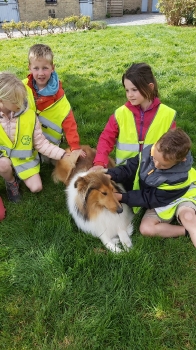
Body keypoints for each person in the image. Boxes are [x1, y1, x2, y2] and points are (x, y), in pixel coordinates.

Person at [106, 128, 196, 248]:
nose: (156, 164)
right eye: (154, 158)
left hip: (182, 195)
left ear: (180, 161)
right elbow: (129, 168)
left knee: (188, 217)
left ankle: (192, 227)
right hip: (159, 197)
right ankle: (185, 231)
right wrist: (111, 174)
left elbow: (149, 198)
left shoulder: (178, 178)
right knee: (146, 229)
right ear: (155, 145)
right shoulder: (149, 152)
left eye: (163, 165)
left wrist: (122, 197)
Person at [90, 63, 176, 180]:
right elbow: (106, 138)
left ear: (150, 87)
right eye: (127, 90)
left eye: (134, 90)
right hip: (124, 173)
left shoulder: (167, 115)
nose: (130, 95)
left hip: (154, 173)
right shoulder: (120, 114)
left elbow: (174, 145)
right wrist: (99, 162)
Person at [0, 71, 73, 203]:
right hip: (3, 157)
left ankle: (16, 172)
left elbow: (41, 143)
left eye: (22, 98)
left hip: (24, 160)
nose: (20, 103)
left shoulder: (29, 115)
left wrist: (62, 154)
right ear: (2, 100)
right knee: (3, 165)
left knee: (36, 187)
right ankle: (11, 181)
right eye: (16, 100)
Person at [23, 43, 85, 161]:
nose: (41, 73)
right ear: (29, 67)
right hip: (26, 141)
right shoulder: (22, 87)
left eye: (45, 68)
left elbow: (69, 121)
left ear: (52, 68)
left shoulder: (59, 96)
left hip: (49, 145)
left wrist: (75, 146)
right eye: (36, 68)